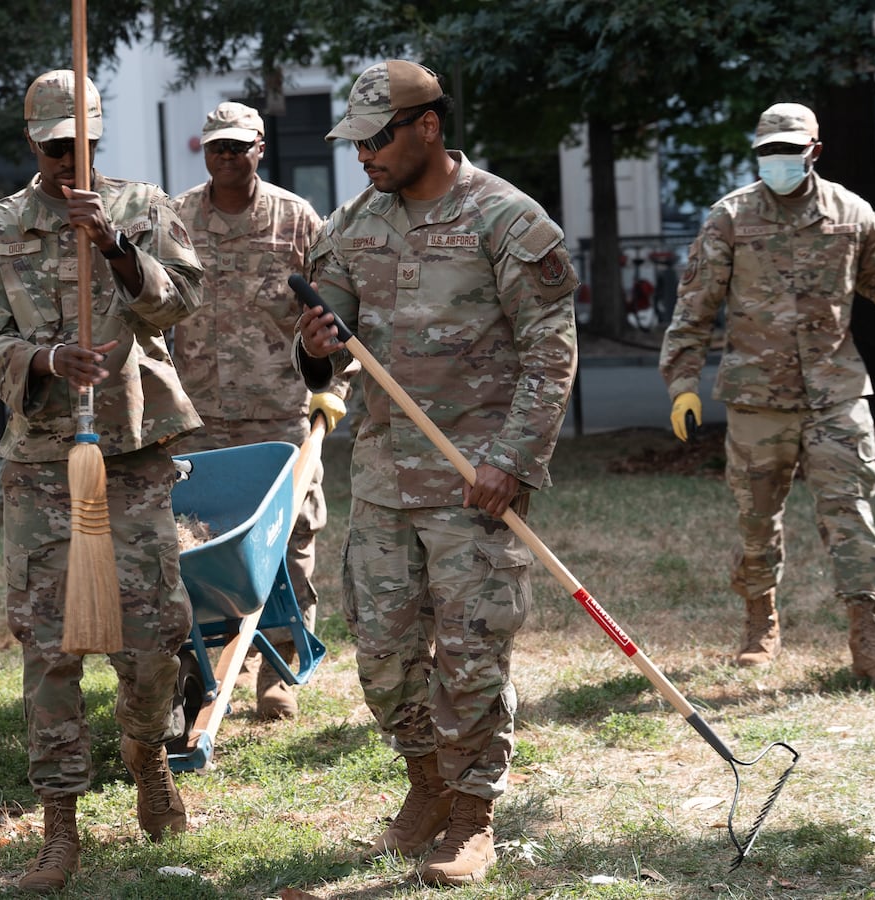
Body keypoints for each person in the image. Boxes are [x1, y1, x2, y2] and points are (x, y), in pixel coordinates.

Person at [295, 60, 578, 886]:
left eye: (377, 140)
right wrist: (315, 348)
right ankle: (425, 784)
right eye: (355, 143)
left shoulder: (506, 220)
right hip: (385, 479)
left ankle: (470, 817)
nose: (364, 157)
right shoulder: (353, 225)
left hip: (473, 481)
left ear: (428, 126)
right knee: (383, 658)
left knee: (472, 655)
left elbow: (549, 355)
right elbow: (328, 339)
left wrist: (512, 462)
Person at [0, 69, 203, 894]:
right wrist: (43, 358)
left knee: (153, 638)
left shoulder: (141, 206)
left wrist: (115, 247)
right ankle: (60, 824)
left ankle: (145, 754)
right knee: (49, 645)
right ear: (33, 143)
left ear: (100, 137)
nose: (71, 159)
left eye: (83, 144)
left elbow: (177, 307)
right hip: (40, 462)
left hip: (132, 454)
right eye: (55, 146)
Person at [660, 102, 875, 686]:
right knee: (757, 521)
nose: (779, 161)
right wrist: (682, 385)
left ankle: (868, 638)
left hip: (835, 392)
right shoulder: (729, 218)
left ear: (814, 152)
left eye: (790, 150)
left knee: (850, 515)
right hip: (756, 398)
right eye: (768, 152)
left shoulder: (851, 214)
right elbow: (694, 308)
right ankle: (760, 621)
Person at [169, 100, 344, 720]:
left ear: (260, 148)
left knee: (290, 541)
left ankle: (279, 668)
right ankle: (212, 663)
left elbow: (331, 315)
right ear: (205, 151)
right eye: (217, 146)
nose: (227, 157)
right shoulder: (177, 218)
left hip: (280, 413)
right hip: (198, 416)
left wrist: (332, 390)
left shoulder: (297, 220)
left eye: (239, 146)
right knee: (201, 544)